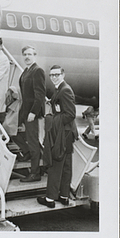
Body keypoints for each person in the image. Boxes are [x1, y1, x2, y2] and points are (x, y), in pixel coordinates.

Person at [37, 65, 78, 208]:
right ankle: (64, 196)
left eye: (57, 75)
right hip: (67, 133)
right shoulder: (61, 89)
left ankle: (50, 199)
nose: (54, 77)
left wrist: (51, 119)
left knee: (55, 165)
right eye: (51, 75)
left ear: (63, 74)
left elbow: (70, 114)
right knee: (66, 166)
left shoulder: (64, 90)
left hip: (62, 133)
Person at [18, 46, 46, 182]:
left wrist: (33, 112)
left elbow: (40, 95)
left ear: (35, 55)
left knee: (33, 141)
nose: (27, 57)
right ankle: (30, 154)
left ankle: (35, 173)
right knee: (11, 129)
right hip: (24, 110)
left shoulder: (37, 71)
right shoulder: (26, 71)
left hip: (31, 113)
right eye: (25, 54)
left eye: (29, 54)